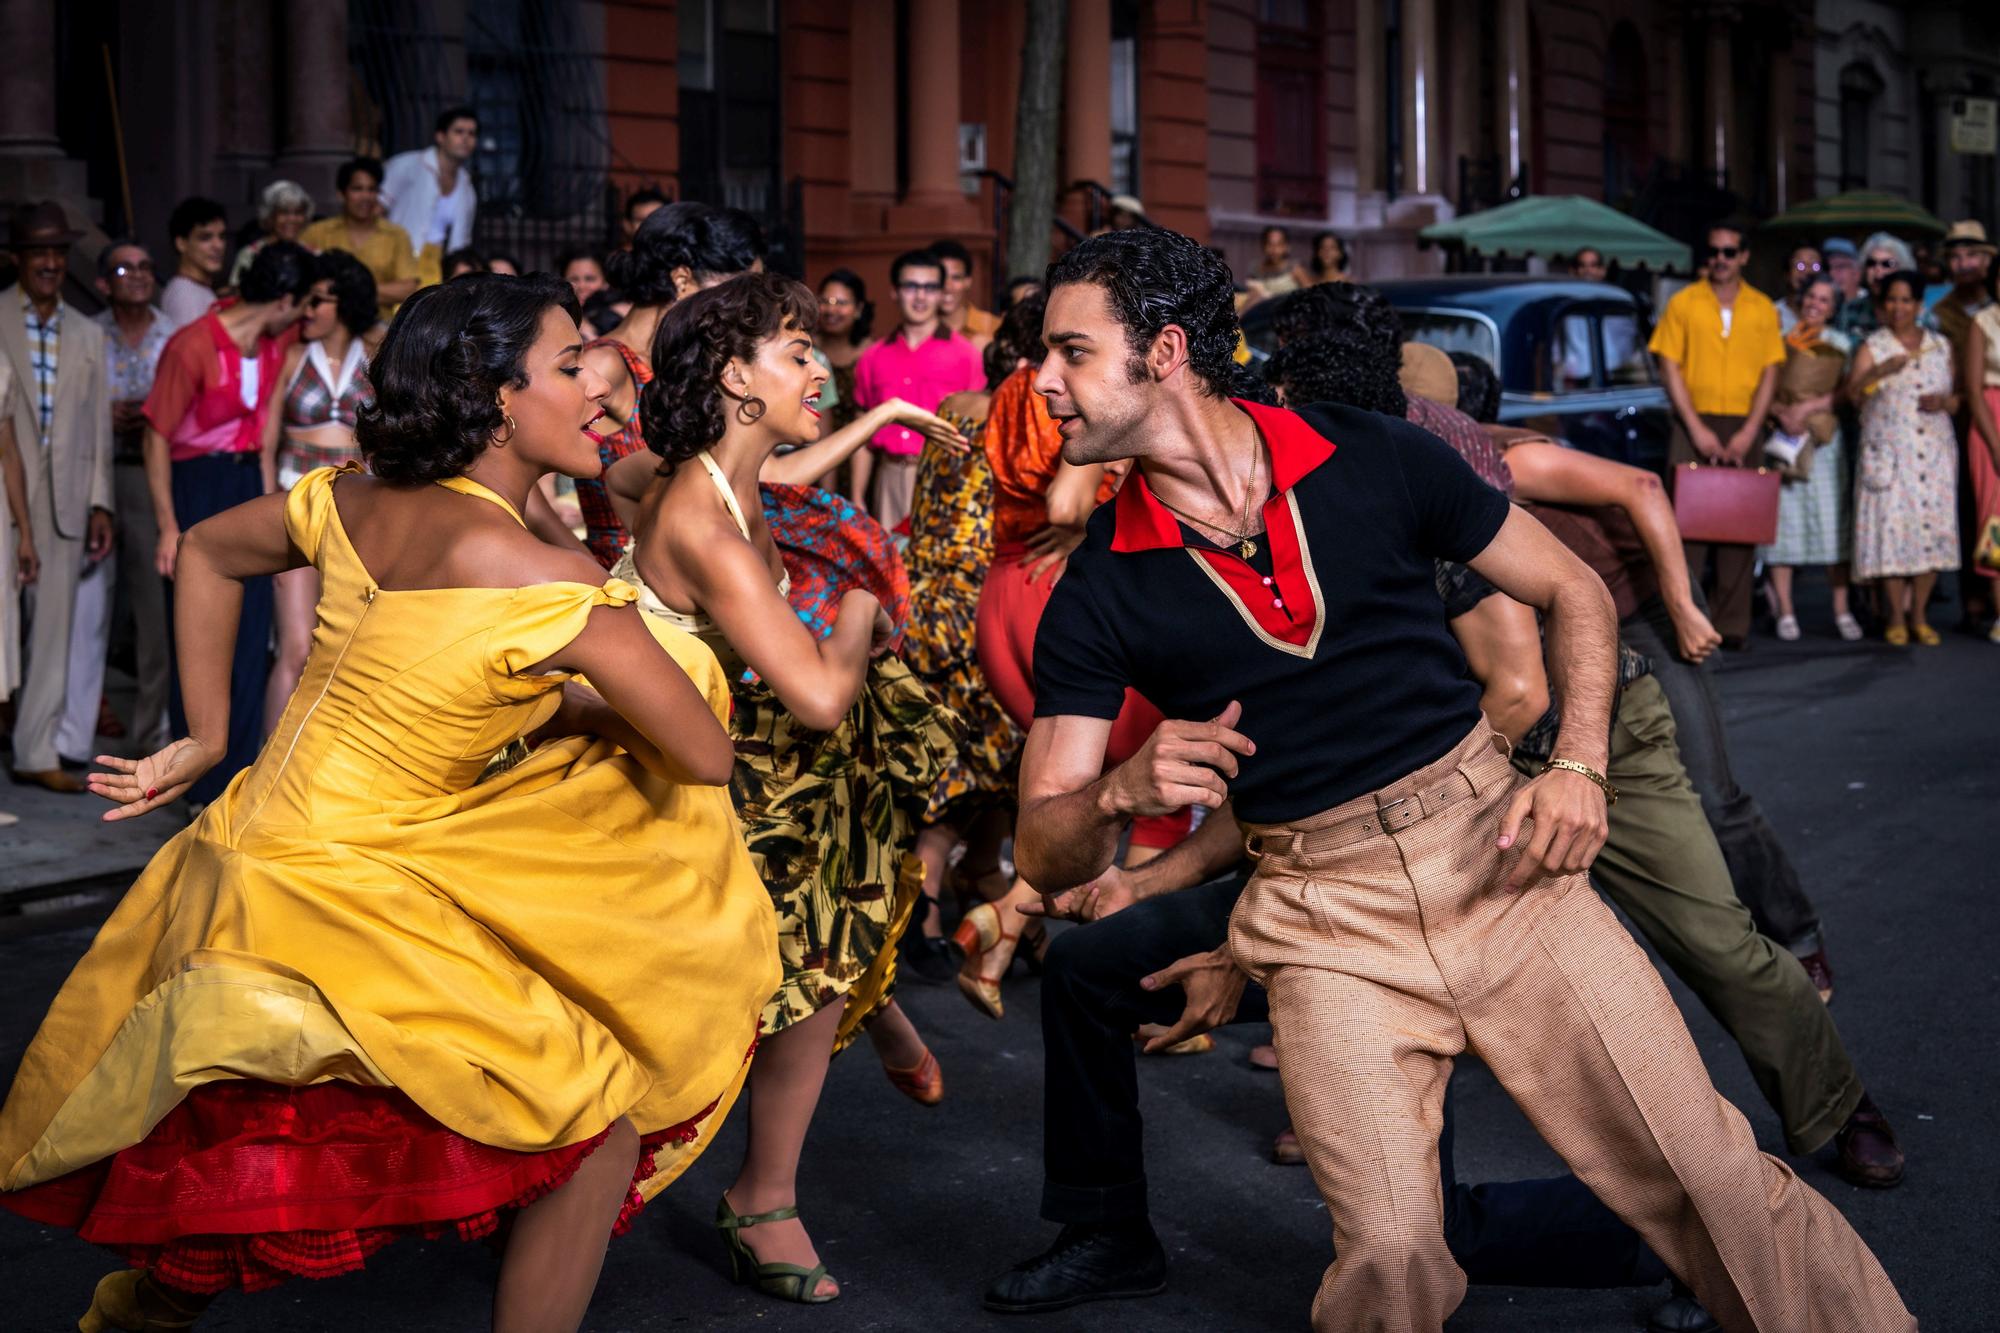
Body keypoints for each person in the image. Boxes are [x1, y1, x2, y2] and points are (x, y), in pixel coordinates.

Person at [1013, 226, 1911, 1333]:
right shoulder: (1098, 588)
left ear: (1161, 350)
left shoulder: (1371, 454)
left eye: (1065, 351)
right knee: (1390, 1253)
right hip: (1320, 917)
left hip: (1498, 858)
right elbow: (1041, 844)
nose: (1039, 382)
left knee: (1710, 1181)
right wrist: (1111, 796)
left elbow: (1572, 589)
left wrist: (1578, 765)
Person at [0, 271, 780, 1332]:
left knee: (258, 1143)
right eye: (568, 370)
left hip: (237, 861)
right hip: (352, 892)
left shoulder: (350, 498)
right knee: (590, 1114)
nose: (600, 395)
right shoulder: (544, 580)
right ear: (499, 397)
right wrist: (571, 714)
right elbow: (701, 756)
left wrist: (210, 736)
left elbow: (212, 551)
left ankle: (135, 1312)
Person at [1271, 322, 1905, 1191]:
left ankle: (1839, 1102)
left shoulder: (1448, 471)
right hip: (1477, 746)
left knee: (1714, 942)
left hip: (1592, 730)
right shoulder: (1299, 484)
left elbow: (1523, 688)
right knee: (1413, 939)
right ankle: (1361, 1121)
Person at [1290, 281, 1843, 997]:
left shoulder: (1499, 459)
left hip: (1634, 606)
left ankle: (1796, 939)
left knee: (1711, 790)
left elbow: (1642, 488)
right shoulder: (1396, 478)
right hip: (1561, 625)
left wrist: (1681, 604)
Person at [613, 272, 958, 1304]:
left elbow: (791, 465)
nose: (822, 367)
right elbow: (812, 693)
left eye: (817, 350)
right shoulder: (706, 515)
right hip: (687, 791)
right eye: (798, 352)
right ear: (735, 378)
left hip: (732, 767)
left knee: (825, 926)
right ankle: (623, 1191)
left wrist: (889, 415)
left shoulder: (725, 474)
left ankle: (765, 1191)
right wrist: (859, 604)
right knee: (732, 987)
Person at [898, 302, 1043, 984]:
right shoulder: (1021, 422)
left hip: (923, 604)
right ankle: (922, 916)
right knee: (973, 773)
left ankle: (976, 888)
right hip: (975, 613)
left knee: (972, 766)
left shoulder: (954, 406)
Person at [141, 241, 314, 807]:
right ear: (284, 298)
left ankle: (232, 783)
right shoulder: (191, 345)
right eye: (303, 301)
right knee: (194, 635)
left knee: (249, 635)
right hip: (197, 487)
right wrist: (168, 526)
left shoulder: (273, 340)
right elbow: (157, 438)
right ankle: (185, 783)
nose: (307, 313)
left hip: (244, 484)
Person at [2, 203, 113, 794]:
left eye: (58, 252)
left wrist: (102, 503)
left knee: (53, 629)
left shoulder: (88, 331)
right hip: (3, 494)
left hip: (68, 497)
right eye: (38, 252)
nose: (50, 263)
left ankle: (35, 750)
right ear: (16, 258)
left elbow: (97, 426)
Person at [1649, 221, 1786, 649]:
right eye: (1714, 252)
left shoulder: (1763, 308)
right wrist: (1695, 427)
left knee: (1740, 528)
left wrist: (1749, 431)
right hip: (1694, 419)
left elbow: (1771, 371)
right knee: (1688, 527)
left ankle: (1732, 626)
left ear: (1744, 256)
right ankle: (1688, 619)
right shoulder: (1684, 303)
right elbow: (1669, 365)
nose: (1720, 260)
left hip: (1744, 420)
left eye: (1729, 252)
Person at [260, 249, 383, 727]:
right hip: (294, 499)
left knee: (347, 648)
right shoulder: (293, 356)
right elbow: (266, 443)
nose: (307, 311)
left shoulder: (374, 350)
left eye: (319, 301)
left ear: (345, 303)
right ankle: (258, 780)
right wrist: (265, 509)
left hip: (355, 503)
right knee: (293, 647)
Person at [88, 241, 176, 757]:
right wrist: (108, 413)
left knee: (151, 610)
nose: (138, 276)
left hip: (147, 476)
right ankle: (76, 719)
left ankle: (149, 734)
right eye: (125, 268)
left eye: (146, 267)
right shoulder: (89, 332)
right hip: (93, 472)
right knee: (87, 606)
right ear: (104, 281)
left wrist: (147, 414)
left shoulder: (171, 334)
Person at [1850, 268, 1960, 646]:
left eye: (1906, 300)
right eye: (1891, 299)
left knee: (1930, 533)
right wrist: (1879, 370)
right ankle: (1895, 616)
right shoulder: (1873, 346)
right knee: (1893, 534)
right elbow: (1851, 394)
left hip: (1933, 452)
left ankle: (1920, 616)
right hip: (1890, 452)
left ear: (1918, 304)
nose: (1898, 307)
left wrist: (1945, 402)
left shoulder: (1940, 346)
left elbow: (1959, 397)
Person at [850, 250, 984, 527]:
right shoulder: (872, 356)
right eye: (911, 286)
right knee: (890, 565)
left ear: (940, 293)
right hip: (888, 474)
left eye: (930, 288)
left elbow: (979, 431)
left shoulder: (966, 354)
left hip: (946, 474)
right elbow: (861, 434)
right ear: (895, 292)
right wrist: (856, 496)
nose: (920, 297)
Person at [1763, 274, 1862, 641]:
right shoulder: (1780, 341)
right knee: (1783, 525)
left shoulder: (1840, 344)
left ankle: (1841, 609)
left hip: (1823, 442)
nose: (1815, 305)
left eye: (1824, 300)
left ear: (1833, 308)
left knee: (1833, 523)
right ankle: (1786, 611)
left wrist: (1811, 407)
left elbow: (1847, 391)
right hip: (1785, 437)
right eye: (1811, 298)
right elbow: (1763, 386)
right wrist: (1782, 412)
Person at [1932, 221, 1998, 631]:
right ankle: (1974, 597)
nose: (1963, 264)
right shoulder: (1941, 311)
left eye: (1971, 256)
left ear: (1987, 260)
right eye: (1955, 257)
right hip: (1956, 413)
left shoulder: (1991, 308)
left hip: (1980, 403)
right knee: (1970, 506)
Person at [299, 158, 420, 322]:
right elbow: (303, 284)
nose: (366, 196)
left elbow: (408, 288)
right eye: (357, 189)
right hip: (326, 327)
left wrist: (349, 291)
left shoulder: (397, 235)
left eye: (372, 189)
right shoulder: (317, 233)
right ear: (341, 194)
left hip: (379, 329)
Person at [381, 105, 480, 288]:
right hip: (396, 260)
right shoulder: (406, 165)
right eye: (459, 132)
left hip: (438, 267)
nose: (466, 139)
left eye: (472, 134)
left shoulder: (467, 187)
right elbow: (375, 209)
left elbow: (461, 242)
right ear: (440, 136)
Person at [1959, 263, 2000, 641]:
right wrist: (1996, 444)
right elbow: (1972, 390)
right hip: (1991, 417)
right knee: (1995, 517)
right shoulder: (1983, 321)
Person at [816, 268, 875, 436]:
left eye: (841, 303)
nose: (831, 310)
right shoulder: (806, 349)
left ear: (858, 309)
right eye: (825, 301)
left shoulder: (871, 353)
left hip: (861, 448)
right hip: (814, 450)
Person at [226, 181, 313, 289]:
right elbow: (235, 295)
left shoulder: (313, 254)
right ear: (270, 217)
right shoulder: (249, 255)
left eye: (298, 212)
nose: (292, 219)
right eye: (284, 212)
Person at [1835, 232, 1919, 341]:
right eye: (1871, 263)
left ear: (1903, 269)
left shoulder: (1917, 313)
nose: (1878, 269)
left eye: (1888, 264)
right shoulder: (1850, 310)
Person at [159, 197, 227, 329]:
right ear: (181, 243)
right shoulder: (184, 295)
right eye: (205, 238)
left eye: (222, 237)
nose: (218, 245)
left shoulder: (195, 288)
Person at [931, 238, 1000, 346]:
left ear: (968, 281)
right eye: (940, 278)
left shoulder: (994, 327)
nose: (947, 287)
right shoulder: (917, 333)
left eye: (956, 278)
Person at [1245, 225, 1310, 304]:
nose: (1274, 249)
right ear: (1263, 246)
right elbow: (1252, 295)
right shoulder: (1256, 269)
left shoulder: (1295, 269)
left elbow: (1311, 295)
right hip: (1262, 312)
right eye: (1270, 244)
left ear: (1286, 247)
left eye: (1279, 245)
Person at [1776, 244, 1823, 332]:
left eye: (1815, 266)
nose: (1807, 271)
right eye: (1800, 265)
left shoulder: (1828, 314)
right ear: (1787, 274)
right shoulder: (1772, 313)